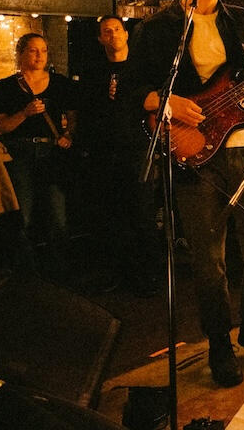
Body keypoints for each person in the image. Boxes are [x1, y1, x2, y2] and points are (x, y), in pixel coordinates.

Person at [126, 0, 244, 388]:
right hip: (193, 157)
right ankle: (219, 341)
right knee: (208, 262)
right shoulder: (158, 30)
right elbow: (134, 90)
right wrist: (168, 102)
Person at [79, 16, 159, 296]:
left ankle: (149, 277)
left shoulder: (141, 69)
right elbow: (86, 111)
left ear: (126, 34)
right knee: (113, 216)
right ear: (100, 39)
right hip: (105, 151)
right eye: (106, 32)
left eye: (116, 30)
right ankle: (121, 275)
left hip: (138, 148)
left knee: (142, 213)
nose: (112, 35)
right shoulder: (93, 72)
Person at [0, 33, 77, 279]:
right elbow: (4, 126)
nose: (39, 55)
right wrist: (25, 113)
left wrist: (69, 135)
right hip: (20, 153)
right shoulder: (5, 87)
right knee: (23, 216)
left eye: (43, 50)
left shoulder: (61, 84)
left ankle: (59, 273)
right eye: (33, 50)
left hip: (51, 153)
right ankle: (26, 274)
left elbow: (73, 119)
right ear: (20, 54)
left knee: (57, 215)